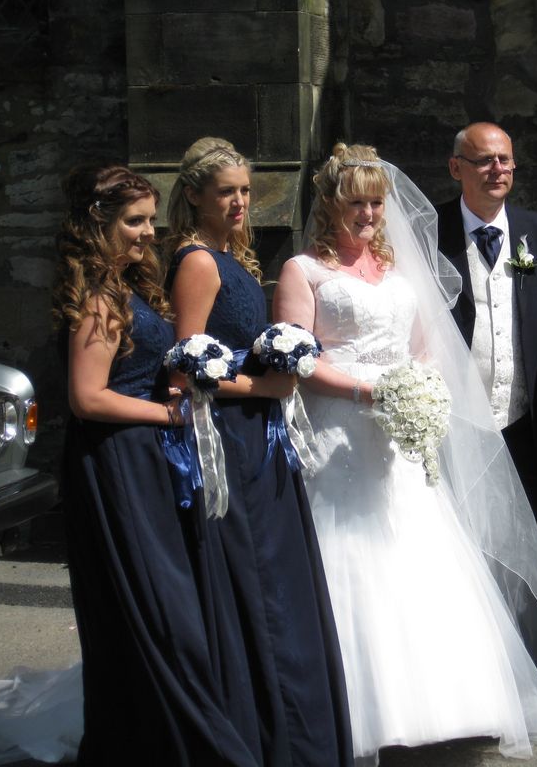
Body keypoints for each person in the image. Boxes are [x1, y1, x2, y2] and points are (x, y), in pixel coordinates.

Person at [271, 142, 537, 765]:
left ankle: (445, 704)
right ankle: (354, 707)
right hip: (339, 437)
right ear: (329, 204)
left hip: (400, 440)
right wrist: (368, 391)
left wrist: (422, 390)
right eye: (356, 203)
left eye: (375, 203)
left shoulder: (399, 271)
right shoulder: (304, 271)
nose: (368, 215)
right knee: (350, 556)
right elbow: (298, 360)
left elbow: (423, 350)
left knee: (420, 554)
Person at [0, 165, 258, 766]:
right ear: (98, 223)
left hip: (144, 457)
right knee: (159, 610)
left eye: (150, 220)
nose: (148, 233)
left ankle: (161, 737)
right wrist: (170, 414)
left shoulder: (127, 288)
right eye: (134, 221)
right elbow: (87, 398)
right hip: (116, 463)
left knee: (167, 606)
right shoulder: (98, 299)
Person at [165, 137, 353, 767]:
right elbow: (184, 367)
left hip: (259, 431)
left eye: (245, 190)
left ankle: (293, 720)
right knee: (259, 574)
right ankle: (270, 725)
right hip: (231, 438)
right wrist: (264, 386)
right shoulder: (198, 262)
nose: (241, 201)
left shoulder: (229, 257)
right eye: (227, 192)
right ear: (196, 196)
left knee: (278, 571)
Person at [435, 121, 537, 562]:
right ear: (456, 168)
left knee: (530, 544)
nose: (497, 169)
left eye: (504, 160)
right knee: (459, 546)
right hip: (454, 424)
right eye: (483, 160)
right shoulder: (429, 232)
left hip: (524, 420)